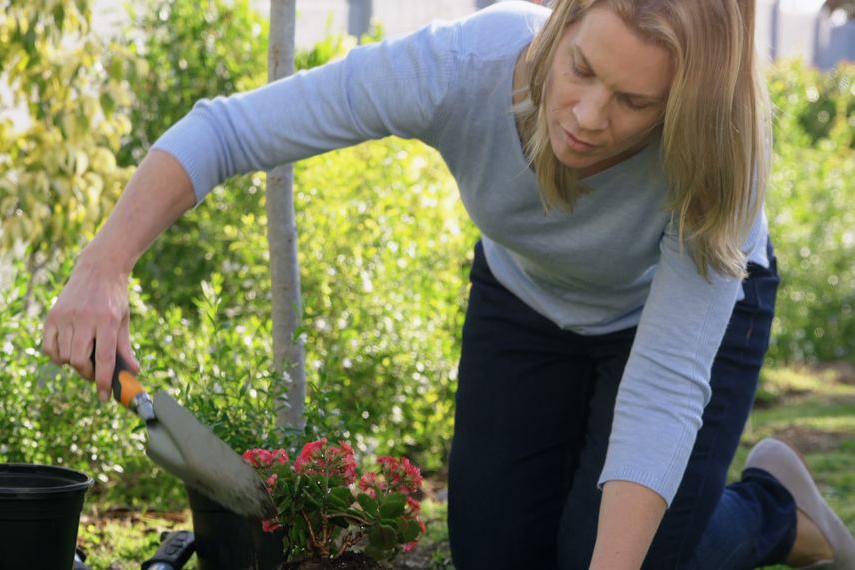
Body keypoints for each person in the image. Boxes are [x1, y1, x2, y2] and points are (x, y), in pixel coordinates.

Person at [42, 0, 855, 568]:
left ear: (684, 106)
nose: (586, 115)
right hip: (528, 298)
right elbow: (229, 129)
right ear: (563, 19)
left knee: (609, 558)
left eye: (633, 101)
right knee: (497, 555)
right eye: (580, 69)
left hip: (673, 324)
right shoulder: (467, 63)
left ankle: (774, 514)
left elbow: (663, 391)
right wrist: (103, 264)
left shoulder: (718, 161)